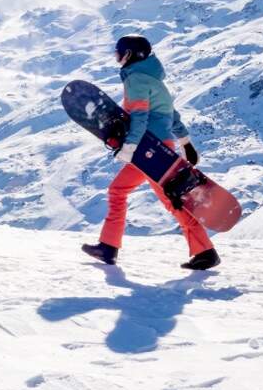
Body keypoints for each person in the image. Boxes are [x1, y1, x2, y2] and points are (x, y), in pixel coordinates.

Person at [81, 35, 218, 271]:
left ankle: (205, 251)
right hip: (161, 147)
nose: (116, 57)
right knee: (122, 191)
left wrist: (130, 147)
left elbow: (139, 116)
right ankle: (108, 246)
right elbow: (172, 116)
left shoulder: (136, 80)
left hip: (149, 150)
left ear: (130, 55)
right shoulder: (156, 82)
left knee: (169, 200)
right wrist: (186, 142)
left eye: (119, 53)